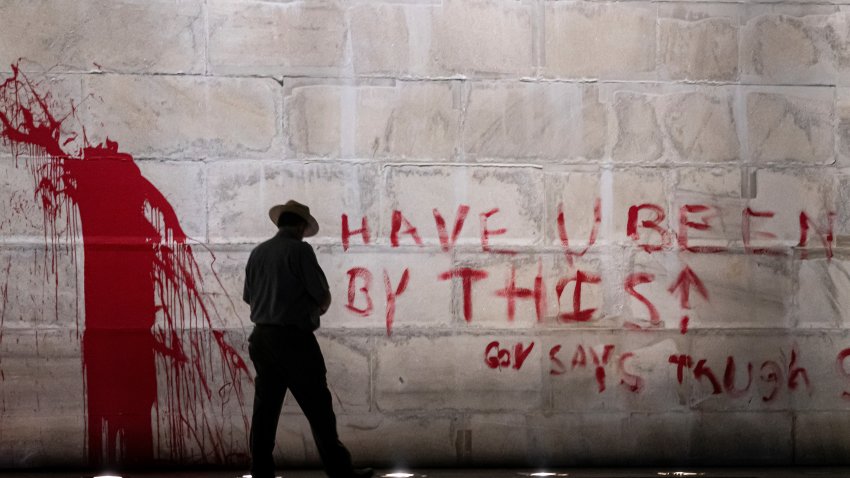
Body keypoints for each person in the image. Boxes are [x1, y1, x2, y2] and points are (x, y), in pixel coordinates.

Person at [243, 200, 372, 478]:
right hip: (294, 340)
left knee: (266, 409)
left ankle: (261, 470)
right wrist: (316, 309)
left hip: (262, 339)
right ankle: (339, 470)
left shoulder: (258, 253)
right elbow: (320, 293)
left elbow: (248, 297)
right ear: (301, 226)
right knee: (319, 408)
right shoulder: (300, 251)